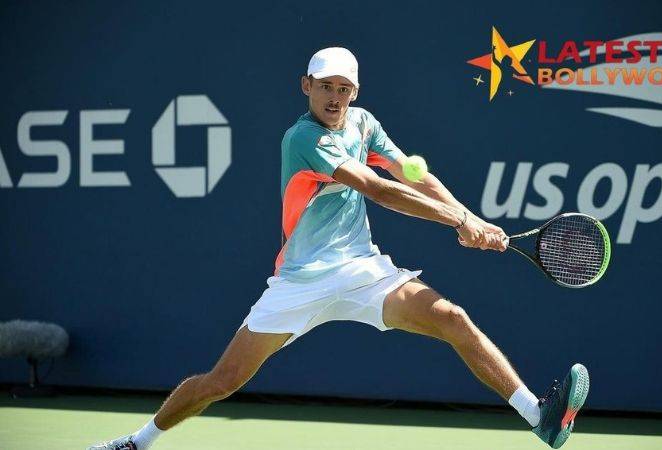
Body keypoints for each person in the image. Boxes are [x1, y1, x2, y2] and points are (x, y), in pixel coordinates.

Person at [89, 47, 589, 450]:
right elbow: (379, 188)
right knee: (222, 381)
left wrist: (472, 218)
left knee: (453, 319)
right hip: (299, 284)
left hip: (362, 271)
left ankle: (538, 417)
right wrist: (460, 221)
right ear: (306, 86)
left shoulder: (363, 124)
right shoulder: (302, 138)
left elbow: (410, 173)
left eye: (343, 88)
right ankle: (138, 442)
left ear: (355, 92)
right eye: (325, 86)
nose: (334, 96)